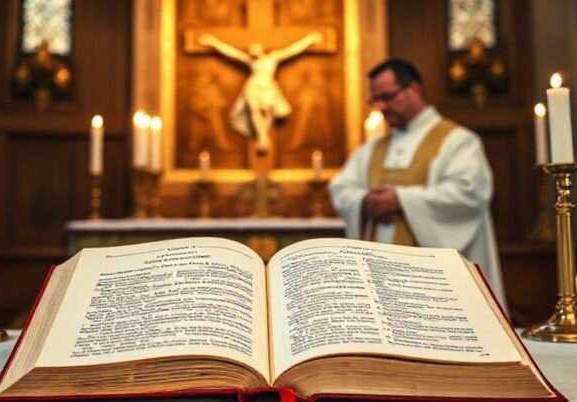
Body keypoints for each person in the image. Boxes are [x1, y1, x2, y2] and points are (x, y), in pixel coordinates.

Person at [329, 58, 507, 307]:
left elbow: (469, 193)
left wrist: (400, 200)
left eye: (387, 97)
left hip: (438, 290)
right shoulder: (372, 150)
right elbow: (341, 188)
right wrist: (364, 201)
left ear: (413, 89)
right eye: (375, 100)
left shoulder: (458, 141)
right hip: (380, 281)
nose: (381, 106)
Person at [198, 32, 322, 155]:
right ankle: (261, 137)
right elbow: (232, 53)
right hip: (253, 87)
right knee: (254, 111)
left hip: (267, 87)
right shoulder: (250, 61)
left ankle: (264, 136)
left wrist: (308, 41)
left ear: (261, 49)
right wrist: (214, 43)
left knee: (268, 112)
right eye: (251, 50)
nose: (253, 52)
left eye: (255, 49)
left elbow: (292, 50)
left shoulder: (273, 57)